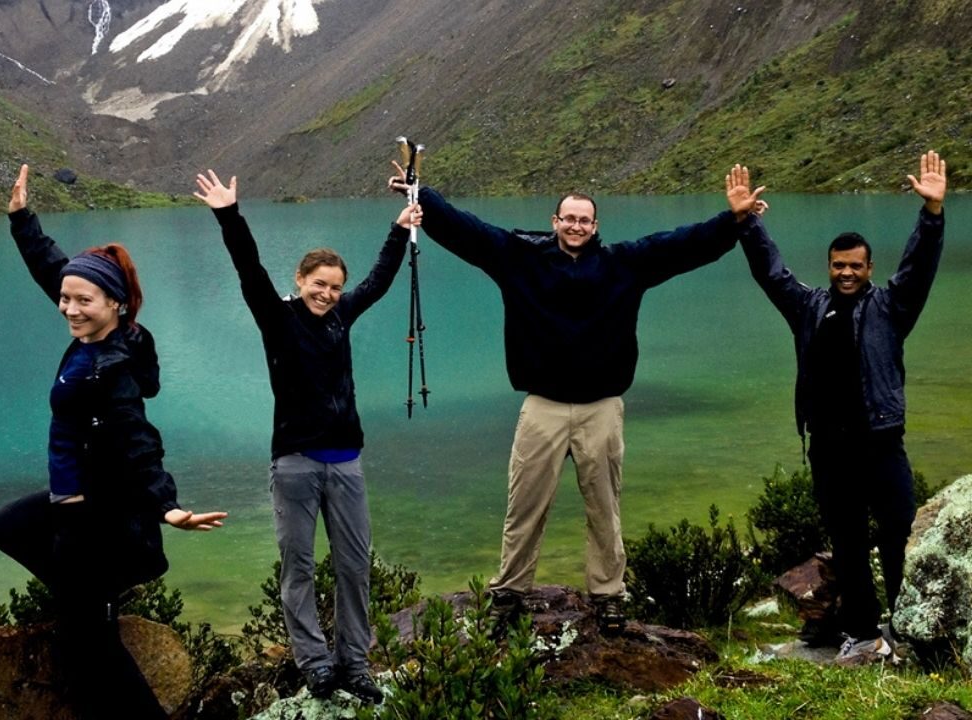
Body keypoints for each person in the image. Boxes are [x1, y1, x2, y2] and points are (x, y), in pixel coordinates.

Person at [389, 163, 764, 632]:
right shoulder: (519, 258)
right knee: (524, 503)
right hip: (541, 405)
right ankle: (509, 591)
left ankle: (608, 594)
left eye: (585, 220)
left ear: (595, 226)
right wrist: (423, 193)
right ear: (555, 221)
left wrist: (731, 220)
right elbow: (469, 232)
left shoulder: (624, 264)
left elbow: (680, 246)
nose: (576, 226)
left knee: (604, 506)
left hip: (601, 406)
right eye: (568, 218)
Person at [0, 164, 226, 720]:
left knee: (90, 648)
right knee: (5, 527)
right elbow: (59, 273)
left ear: (114, 304)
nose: (69, 308)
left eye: (82, 301)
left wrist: (167, 506)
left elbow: (138, 440)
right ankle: (95, 596)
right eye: (66, 299)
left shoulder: (111, 366)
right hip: (73, 500)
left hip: (98, 514)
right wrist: (22, 220)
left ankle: (97, 608)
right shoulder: (97, 324)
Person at [194, 169, 418, 703]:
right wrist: (229, 214)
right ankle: (315, 665)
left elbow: (381, 280)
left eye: (335, 286)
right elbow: (249, 270)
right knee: (297, 567)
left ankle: (354, 664)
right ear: (300, 281)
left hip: (346, 462)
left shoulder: (343, 314)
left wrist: (399, 225)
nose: (328, 293)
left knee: (353, 566)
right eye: (319, 284)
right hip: (294, 463)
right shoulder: (278, 318)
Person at [737, 151, 946, 660]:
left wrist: (932, 215)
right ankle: (860, 631)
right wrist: (746, 222)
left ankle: (903, 625)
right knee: (849, 542)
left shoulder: (891, 307)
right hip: (830, 449)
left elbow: (918, 270)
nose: (846, 273)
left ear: (869, 267)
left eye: (855, 266)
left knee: (898, 529)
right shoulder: (809, 308)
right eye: (838, 266)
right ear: (829, 267)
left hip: (881, 439)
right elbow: (772, 274)